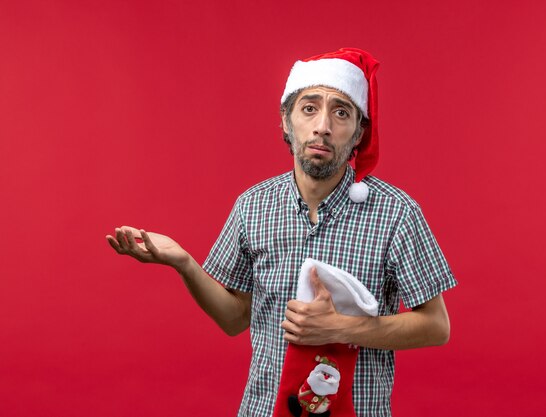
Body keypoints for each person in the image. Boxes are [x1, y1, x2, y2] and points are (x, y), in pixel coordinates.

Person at [106, 47, 457, 417]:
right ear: (287, 122)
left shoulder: (396, 213)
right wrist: (184, 264)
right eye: (309, 108)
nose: (323, 125)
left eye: (341, 112)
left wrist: (342, 328)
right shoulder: (252, 207)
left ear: (358, 133)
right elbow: (234, 319)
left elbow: (437, 327)